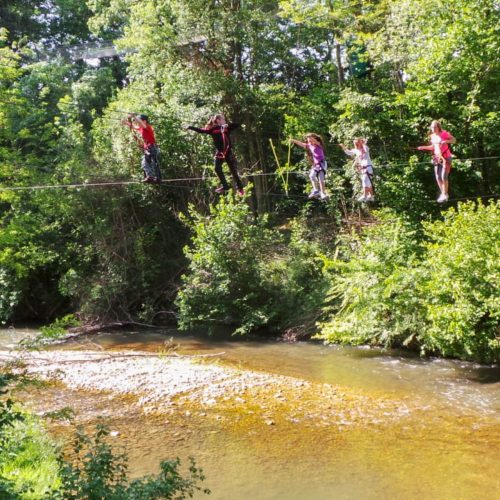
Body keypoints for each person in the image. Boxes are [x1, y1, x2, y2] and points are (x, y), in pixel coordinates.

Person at [186, 114, 244, 195]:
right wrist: (190, 127)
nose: (224, 121)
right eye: (223, 119)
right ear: (218, 120)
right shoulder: (213, 130)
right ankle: (225, 186)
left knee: (233, 170)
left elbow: (237, 125)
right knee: (217, 168)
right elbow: (201, 130)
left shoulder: (227, 128)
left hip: (228, 152)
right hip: (220, 152)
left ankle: (240, 188)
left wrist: (228, 125)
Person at [417, 120, 456, 202]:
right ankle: (443, 193)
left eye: (435, 127)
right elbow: (433, 147)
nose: (433, 129)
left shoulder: (444, 133)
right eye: (432, 127)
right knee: (438, 177)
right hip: (437, 158)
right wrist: (423, 147)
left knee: (443, 176)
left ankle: (445, 194)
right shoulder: (432, 136)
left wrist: (446, 141)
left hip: (446, 157)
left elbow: (454, 140)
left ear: (438, 127)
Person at [122, 113, 161, 183]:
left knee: (150, 163)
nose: (137, 122)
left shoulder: (148, 127)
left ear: (144, 121)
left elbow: (140, 123)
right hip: (149, 148)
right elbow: (134, 127)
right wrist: (126, 123)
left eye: (139, 121)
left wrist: (134, 116)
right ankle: (152, 177)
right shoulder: (141, 128)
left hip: (152, 147)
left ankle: (154, 177)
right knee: (147, 163)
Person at [291, 133, 329, 200]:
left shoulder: (319, 144)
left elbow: (315, 141)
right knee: (311, 176)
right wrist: (293, 140)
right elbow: (302, 144)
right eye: (309, 140)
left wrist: (311, 137)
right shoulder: (309, 145)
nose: (310, 142)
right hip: (316, 164)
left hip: (322, 163)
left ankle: (323, 193)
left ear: (314, 139)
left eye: (311, 140)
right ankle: (316, 190)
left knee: (321, 179)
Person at [340, 138, 375, 202]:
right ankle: (371, 196)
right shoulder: (356, 150)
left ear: (360, 143)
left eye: (357, 142)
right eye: (355, 143)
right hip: (362, 168)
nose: (356, 144)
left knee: (365, 180)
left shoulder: (365, 148)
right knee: (368, 182)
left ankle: (365, 195)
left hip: (368, 166)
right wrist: (343, 147)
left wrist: (363, 142)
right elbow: (349, 152)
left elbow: (366, 149)